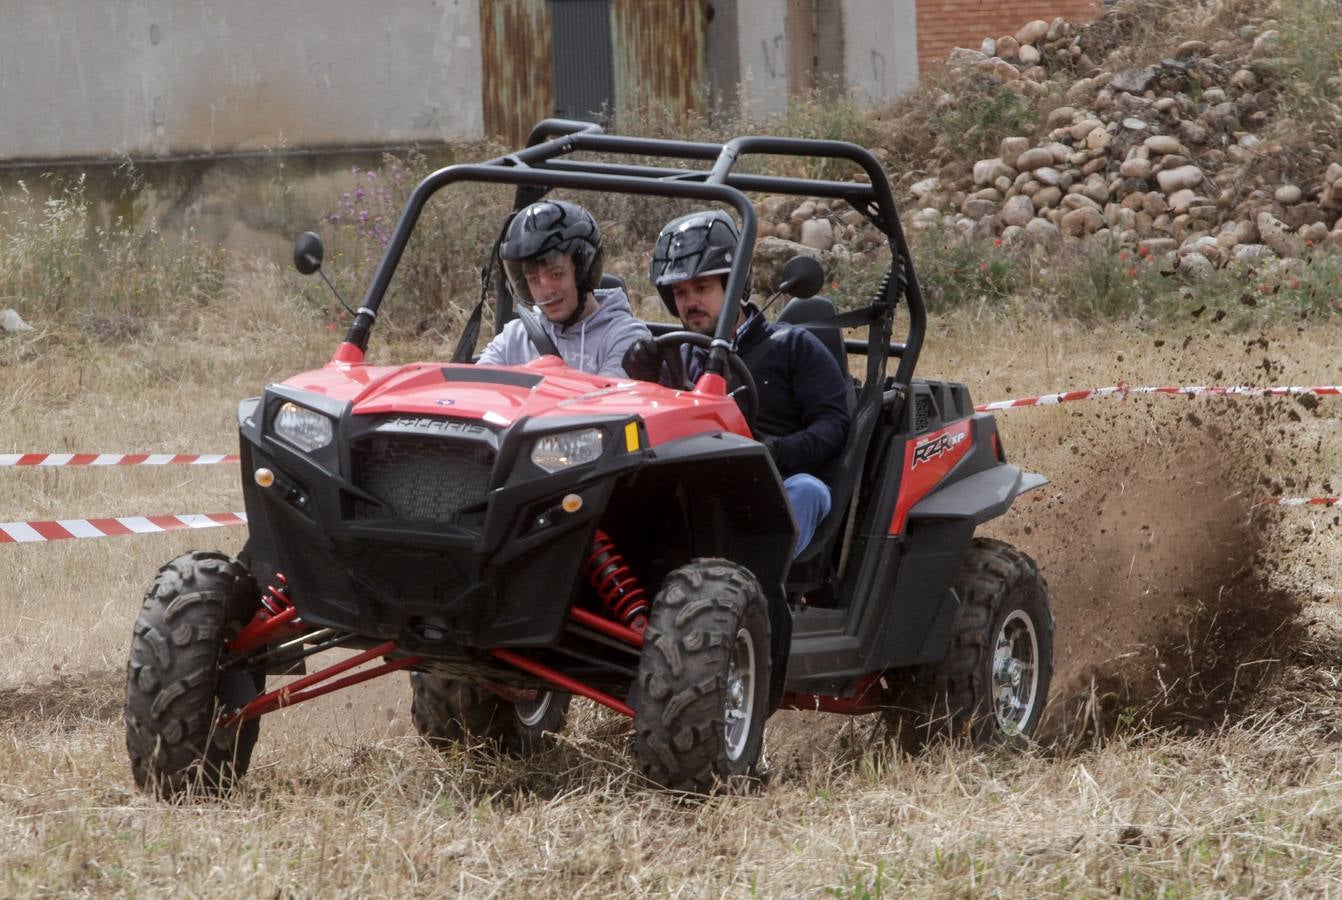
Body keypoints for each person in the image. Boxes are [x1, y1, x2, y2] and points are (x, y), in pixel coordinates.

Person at [623, 210, 851, 557]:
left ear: (733, 286)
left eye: (702, 287)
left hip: (778, 481)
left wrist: (777, 451)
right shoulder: (676, 356)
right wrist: (645, 379)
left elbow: (834, 425)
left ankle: (752, 588)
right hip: (694, 486)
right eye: (680, 292)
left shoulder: (792, 345)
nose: (690, 302)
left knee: (808, 490)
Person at [477, 199, 650, 377]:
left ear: (585, 271)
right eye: (534, 280)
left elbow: (605, 403)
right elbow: (475, 389)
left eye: (556, 275)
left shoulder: (625, 337)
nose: (546, 291)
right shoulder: (514, 338)